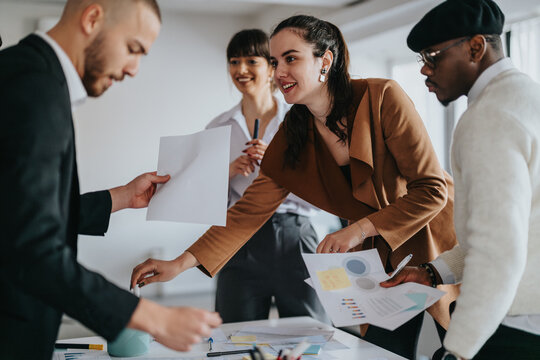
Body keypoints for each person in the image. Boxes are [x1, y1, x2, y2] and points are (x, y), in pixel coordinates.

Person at [131, 15, 458, 359]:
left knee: (458, 347)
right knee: (380, 353)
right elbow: (247, 210)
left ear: (325, 61)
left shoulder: (382, 96)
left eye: (291, 58)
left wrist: (356, 231)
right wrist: (178, 264)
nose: (278, 72)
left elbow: (432, 190)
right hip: (378, 256)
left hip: (435, 242)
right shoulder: (295, 130)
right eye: (274, 62)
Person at [0, 1, 221, 359]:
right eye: (133, 49)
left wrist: (120, 197)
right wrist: (151, 317)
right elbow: (31, 245)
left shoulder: (30, 75)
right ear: (92, 18)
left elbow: (14, 209)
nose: (134, 69)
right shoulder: (34, 87)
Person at [381, 1, 540, 359]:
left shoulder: (488, 118)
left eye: (432, 55)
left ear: (475, 48)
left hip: (517, 329)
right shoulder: (527, 98)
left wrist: (459, 348)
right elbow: (513, 231)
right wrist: (433, 273)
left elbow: (498, 250)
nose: (423, 68)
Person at [201, 29, 326, 323]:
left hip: (295, 237)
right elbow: (205, 199)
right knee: (233, 337)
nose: (240, 70)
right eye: (234, 61)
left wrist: (277, 163)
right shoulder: (216, 127)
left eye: (251, 61)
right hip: (237, 238)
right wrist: (227, 171)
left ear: (272, 68)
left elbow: (320, 193)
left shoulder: (302, 122)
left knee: (310, 335)